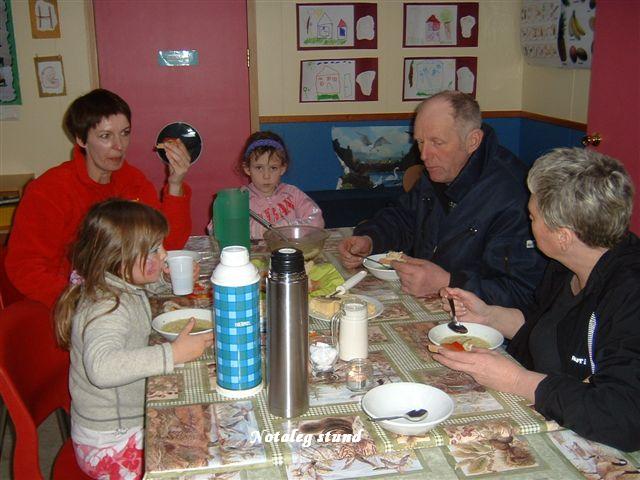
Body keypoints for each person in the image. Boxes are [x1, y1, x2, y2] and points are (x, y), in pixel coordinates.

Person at [435, 148, 640, 452]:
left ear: (563, 236)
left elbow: (625, 418)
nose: (526, 221)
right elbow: (547, 329)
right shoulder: (566, 265)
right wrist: (489, 317)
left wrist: (518, 381)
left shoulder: (630, 293)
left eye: (532, 217)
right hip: (550, 419)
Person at [339, 90, 546, 309]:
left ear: (473, 141)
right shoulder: (441, 170)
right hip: (430, 305)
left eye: (437, 142)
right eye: (420, 142)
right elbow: (405, 217)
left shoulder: (515, 196)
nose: (424, 155)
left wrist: (447, 282)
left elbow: (524, 293)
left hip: (481, 322)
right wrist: (371, 238)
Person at [54, 199, 213, 479]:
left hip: (121, 427)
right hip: (111, 444)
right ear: (119, 256)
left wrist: (166, 281)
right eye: (154, 250)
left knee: (201, 420)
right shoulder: (106, 306)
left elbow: (141, 291)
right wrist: (172, 354)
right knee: (205, 458)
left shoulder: (116, 283)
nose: (164, 254)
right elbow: (102, 367)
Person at [5, 88, 193, 308]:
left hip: (124, 299)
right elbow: (25, 268)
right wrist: (84, 302)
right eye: (105, 136)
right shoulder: (49, 191)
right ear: (81, 139)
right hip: (70, 305)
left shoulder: (132, 181)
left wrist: (175, 183)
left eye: (125, 133)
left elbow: (166, 245)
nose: (119, 146)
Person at [209, 131, 324, 239]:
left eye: (273, 168)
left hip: (289, 251)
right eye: (259, 168)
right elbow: (215, 229)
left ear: (282, 168)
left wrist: (288, 228)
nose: (266, 176)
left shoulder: (293, 193)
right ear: (247, 169)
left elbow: (317, 220)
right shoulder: (239, 199)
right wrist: (257, 231)